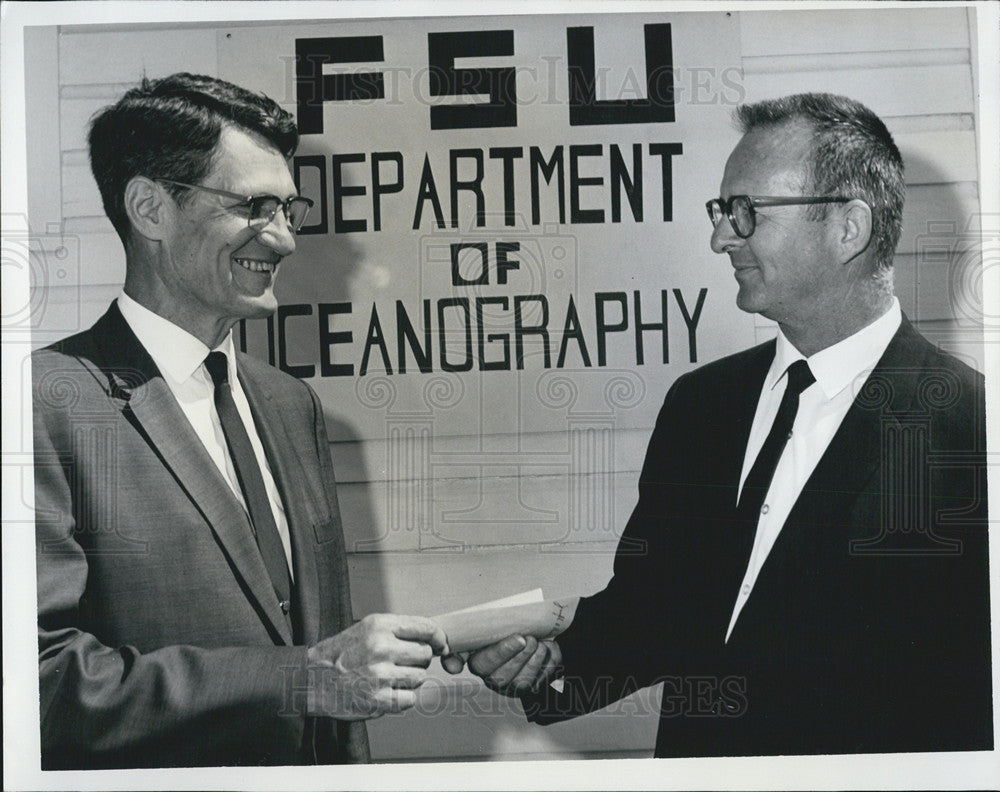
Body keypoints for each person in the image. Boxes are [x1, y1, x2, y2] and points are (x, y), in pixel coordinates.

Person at [445, 93, 992, 756]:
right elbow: (660, 607)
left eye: (747, 212)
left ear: (849, 227)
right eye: (722, 210)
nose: (720, 237)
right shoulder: (703, 405)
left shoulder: (971, 431)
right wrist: (555, 664)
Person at [33, 73, 448, 769]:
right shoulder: (42, 403)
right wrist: (301, 679)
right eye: (255, 207)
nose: (284, 240)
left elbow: (335, 669)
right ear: (149, 208)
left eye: (290, 208)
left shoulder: (291, 404)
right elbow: (38, 684)